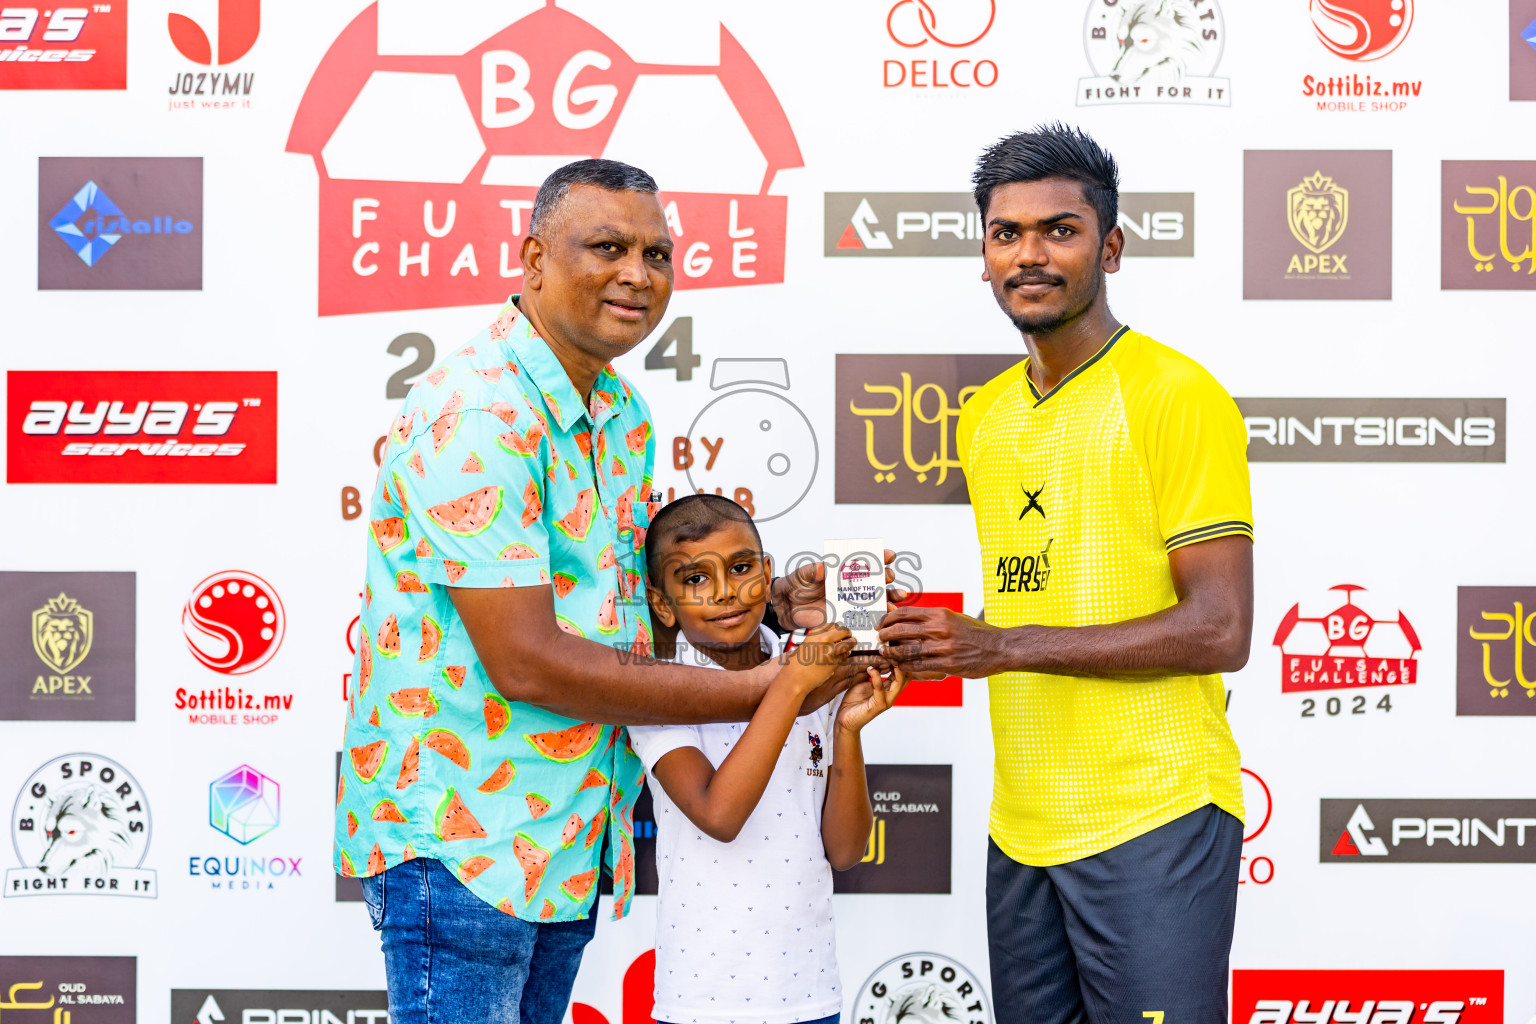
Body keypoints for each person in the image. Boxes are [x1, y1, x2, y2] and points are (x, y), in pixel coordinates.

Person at [337, 159, 869, 1024]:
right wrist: (766, 684)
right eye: (609, 247)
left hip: (570, 836)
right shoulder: (477, 413)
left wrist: (775, 610)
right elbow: (527, 661)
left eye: (658, 253)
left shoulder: (620, 412)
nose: (638, 274)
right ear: (534, 258)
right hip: (463, 840)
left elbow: (628, 604)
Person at [878, 125, 1255, 1024]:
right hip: (1023, 824)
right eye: (1006, 234)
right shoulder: (986, 416)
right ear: (982, 257)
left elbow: (1221, 629)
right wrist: (903, 628)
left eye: (1061, 229)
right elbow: (1046, 590)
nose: (1031, 253)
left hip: (1152, 812)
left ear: (1111, 246)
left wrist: (1001, 644)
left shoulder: (1174, 392)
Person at [628, 494, 907, 1024]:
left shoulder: (808, 669)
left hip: (811, 994)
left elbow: (846, 851)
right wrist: (796, 681)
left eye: (740, 568)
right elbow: (720, 815)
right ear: (662, 604)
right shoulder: (654, 693)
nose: (726, 592)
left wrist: (845, 726)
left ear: (767, 572)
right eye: (694, 579)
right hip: (702, 1002)